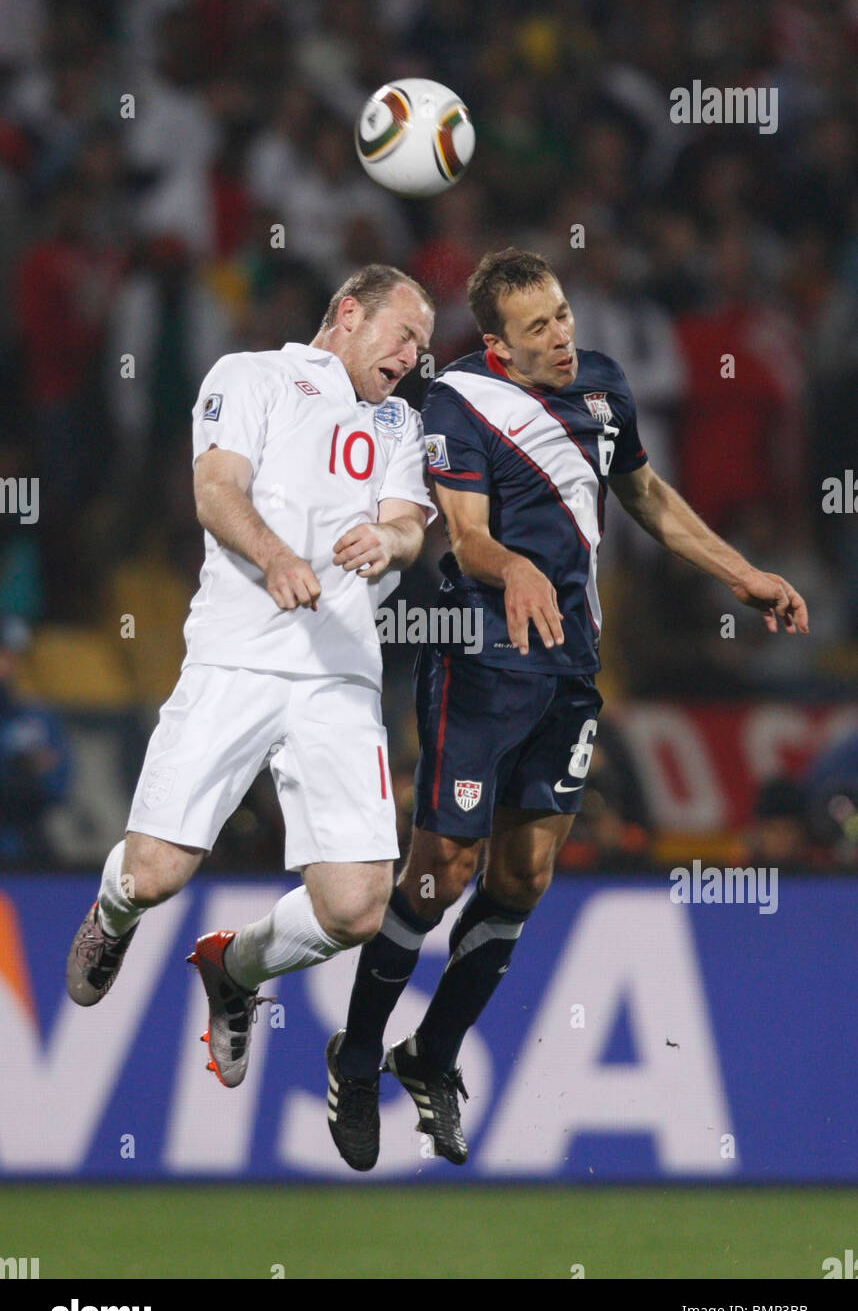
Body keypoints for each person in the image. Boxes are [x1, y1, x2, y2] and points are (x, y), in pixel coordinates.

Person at [329, 247, 808, 1171]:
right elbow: (466, 536)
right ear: (497, 346)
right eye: (538, 327)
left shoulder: (603, 388)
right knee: (439, 874)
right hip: (479, 662)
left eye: (563, 315)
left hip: (570, 668)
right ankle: (354, 1058)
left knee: (524, 876)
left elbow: (646, 495)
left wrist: (741, 574)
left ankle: (429, 1054)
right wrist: (514, 567)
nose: (561, 336)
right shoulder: (459, 401)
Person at [65, 263, 436, 1095]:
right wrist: (274, 558)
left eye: (423, 344)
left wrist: (390, 542)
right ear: (349, 313)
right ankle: (113, 914)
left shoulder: (400, 423)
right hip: (236, 656)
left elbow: (408, 524)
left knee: (356, 907)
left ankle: (234, 969)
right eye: (404, 334)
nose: (413, 355)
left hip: (340, 673)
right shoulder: (249, 375)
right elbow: (215, 489)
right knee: (155, 874)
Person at [0, 614, 70, 864]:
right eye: (3, 652)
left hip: (27, 845)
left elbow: (59, 782)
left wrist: (28, 777)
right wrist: (15, 769)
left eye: (13, 655)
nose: (8, 662)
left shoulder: (37, 717)